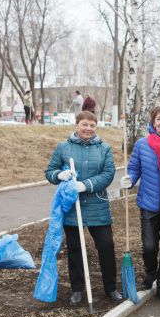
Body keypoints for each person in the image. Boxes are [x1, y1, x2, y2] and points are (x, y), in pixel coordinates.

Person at [44, 111, 122, 305]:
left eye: (92, 125)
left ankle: (111, 288)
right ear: (76, 125)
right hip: (72, 207)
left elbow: (108, 174)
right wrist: (58, 176)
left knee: (106, 247)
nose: (88, 128)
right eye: (84, 124)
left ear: (96, 127)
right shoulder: (64, 147)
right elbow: (50, 171)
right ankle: (77, 289)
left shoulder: (104, 148)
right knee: (75, 249)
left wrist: (85, 185)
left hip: (98, 206)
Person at [120, 106, 160, 302]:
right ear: (153, 122)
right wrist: (129, 180)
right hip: (149, 203)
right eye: (159, 119)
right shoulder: (142, 144)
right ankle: (151, 272)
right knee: (150, 246)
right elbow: (134, 168)